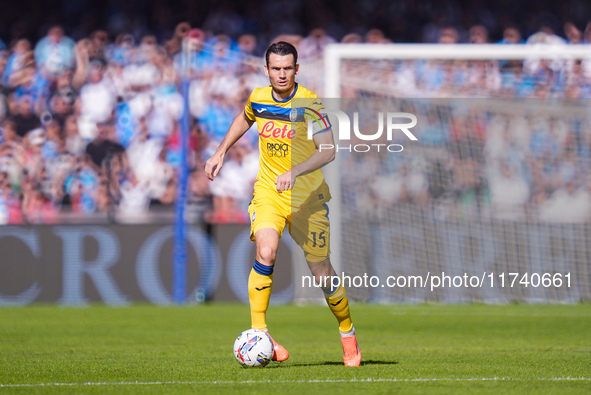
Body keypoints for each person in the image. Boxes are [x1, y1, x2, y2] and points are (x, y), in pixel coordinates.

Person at [204, 41, 361, 367]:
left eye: (287, 68)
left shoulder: (310, 104)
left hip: (308, 199)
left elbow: (328, 149)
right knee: (266, 251)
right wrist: (221, 151)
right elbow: (244, 118)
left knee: (322, 273)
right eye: (275, 68)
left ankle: (347, 333)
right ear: (266, 70)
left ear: (296, 69)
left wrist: (296, 170)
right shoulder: (258, 98)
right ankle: (260, 333)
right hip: (269, 193)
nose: (281, 74)